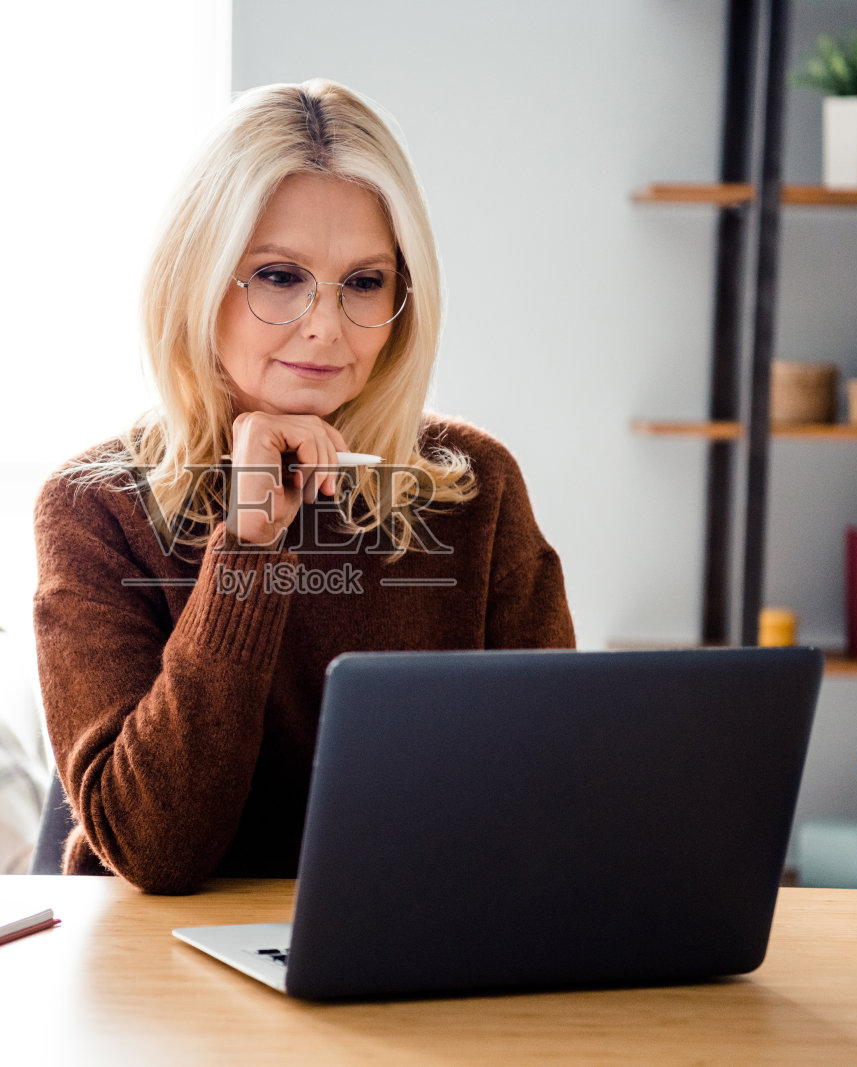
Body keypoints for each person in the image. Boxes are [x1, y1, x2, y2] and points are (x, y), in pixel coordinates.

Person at [33, 78, 574, 893]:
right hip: (160, 967)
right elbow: (155, 849)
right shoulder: (94, 507)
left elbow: (557, 788)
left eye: (364, 283)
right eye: (279, 276)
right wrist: (249, 547)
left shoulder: (473, 488)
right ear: (198, 279)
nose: (326, 325)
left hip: (416, 939)